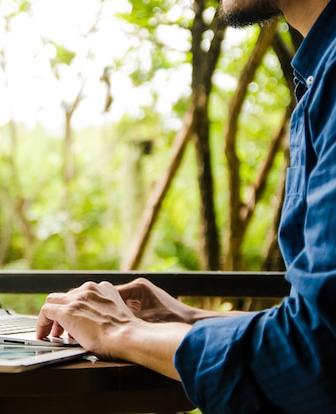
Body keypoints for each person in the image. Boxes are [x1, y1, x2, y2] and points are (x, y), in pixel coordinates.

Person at [36, 1, 336, 412]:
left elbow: (315, 358)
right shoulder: (319, 74)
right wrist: (188, 320)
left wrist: (118, 331)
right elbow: (317, 329)